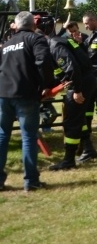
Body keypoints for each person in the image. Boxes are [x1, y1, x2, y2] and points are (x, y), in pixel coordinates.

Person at [0, 11, 57, 192]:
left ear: (15, 26)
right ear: (34, 25)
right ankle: (31, 181)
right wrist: (46, 85)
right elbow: (44, 62)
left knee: (2, 136)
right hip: (25, 94)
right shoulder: (35, 39)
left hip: (3, 94)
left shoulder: (6, 44)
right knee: (28, 137)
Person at [38, 15, 97, 170]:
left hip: (80, 83)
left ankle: (68, 160)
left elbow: (72, 68)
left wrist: (77, 90)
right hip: (86, 80)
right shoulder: (63, 40)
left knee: (70, 121)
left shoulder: (54, 45)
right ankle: (88, 149)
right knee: (79, 118)